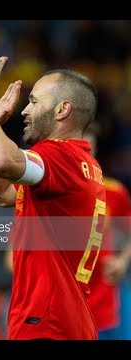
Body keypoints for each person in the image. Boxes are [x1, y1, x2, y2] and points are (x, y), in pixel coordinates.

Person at [0, 56, 105, 340]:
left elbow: (4, 161)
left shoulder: (60, 156)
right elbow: (2, 194)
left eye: (33, 101)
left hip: (46, 322)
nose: (24, 110)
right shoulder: (84, 166)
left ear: (62, 109)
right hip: (69, 320)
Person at [83, 124, 131, 340]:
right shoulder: (48, 191)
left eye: (88, 150)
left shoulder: (114, 191)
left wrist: (123, 261)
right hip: (63, 302)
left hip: (104, 301)